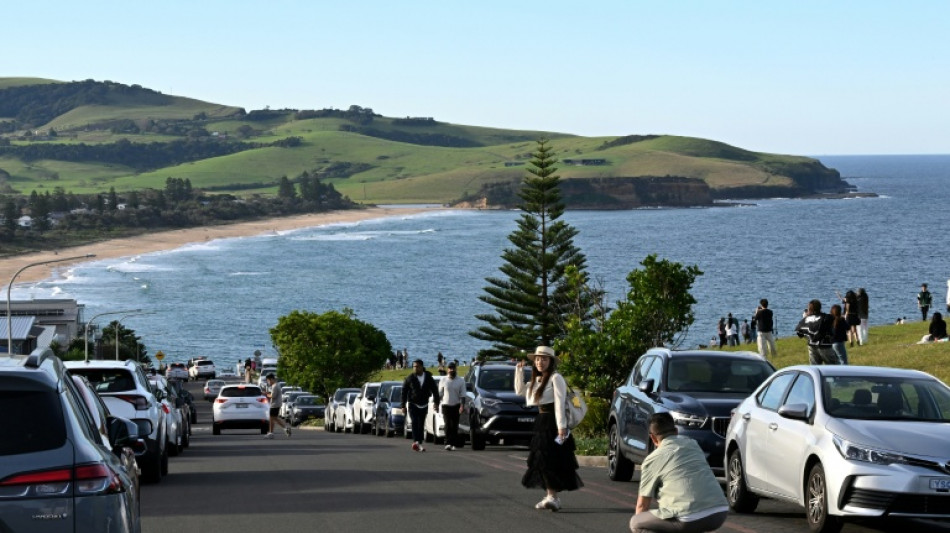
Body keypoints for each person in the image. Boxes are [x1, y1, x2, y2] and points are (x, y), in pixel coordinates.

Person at [628, 412, 729, 533]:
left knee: (636, 523)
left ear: (653, 438)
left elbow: (642, 506)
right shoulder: (692, 444)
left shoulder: (652, 459)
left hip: (688, 517)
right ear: (676, 431)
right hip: (719, 512)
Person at [514, 346, 582, 512]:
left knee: (550, 461)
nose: (540, 362)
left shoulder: (555, 378)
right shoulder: (537, 380)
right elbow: (519, 391)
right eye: (537, 359)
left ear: (551, 361)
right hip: (541, 422)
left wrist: (561, 427)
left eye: (544, 359)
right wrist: (519, 372)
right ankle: (551, 496)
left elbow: (559, 403)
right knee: (543, 462)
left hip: (552, 423)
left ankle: (552, 496)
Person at [401, 359, 438, 452]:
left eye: (417, 367)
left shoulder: (428, 377)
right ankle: (415, 441)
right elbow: (404, 392)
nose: (415, 368)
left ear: (421, 367)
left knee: (421, 424)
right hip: (413, 404)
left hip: (424, 404)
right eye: (414, 367)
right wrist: (403, 406)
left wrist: (436, 403)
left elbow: (435, 390)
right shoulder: (410, 378)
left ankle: (419, 442)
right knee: (414, 422)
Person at [795, 299, 838, 365]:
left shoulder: (805, 320)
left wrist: (806, 317)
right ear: (820, 307)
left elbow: (799, 333)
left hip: (812, 346)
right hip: (825, 346)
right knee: (834, 367)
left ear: (809, 309)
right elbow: (832, 320)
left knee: (815, 368)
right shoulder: (826, 317)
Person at [438, 361, 465, 450]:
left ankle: (453, 443)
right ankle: (447, 442)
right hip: (446, 405)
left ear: (455, 369)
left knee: (454, 425)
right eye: (450, 368)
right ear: (447, 369)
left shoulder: (460, 381)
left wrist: (462, 406)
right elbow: (440, 394)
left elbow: (463, 395)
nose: (451, 370)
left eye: (453, 368)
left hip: (456, 405)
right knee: (447, 425)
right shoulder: (443, 380)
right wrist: (436, 403)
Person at [264, 373, 291, 439]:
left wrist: (267, 395)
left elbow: (273, 396)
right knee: (274, 418)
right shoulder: (276, 385)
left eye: (268, 380)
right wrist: (268, 393)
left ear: (272, 379)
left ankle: (273, 432)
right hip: (276, 404)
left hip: (274, 405)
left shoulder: (275, 386)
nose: (268, 382)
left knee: (272, 419)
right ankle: (273, 432)